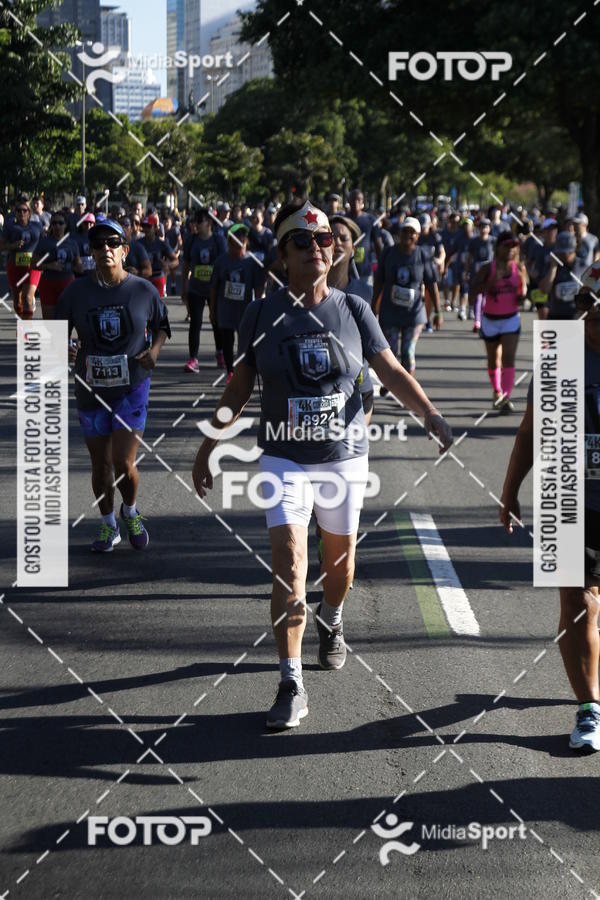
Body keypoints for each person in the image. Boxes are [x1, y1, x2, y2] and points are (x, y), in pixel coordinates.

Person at [192, 199, 452, 729]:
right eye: (303, 242)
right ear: (283, 254)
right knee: (290, 564)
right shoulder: (261, 314)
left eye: (325, 241)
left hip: (342, 459)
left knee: (341, 569)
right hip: (283, 456)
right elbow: (240, 387)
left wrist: (429, 413)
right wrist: (209, 445)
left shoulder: (354, 309)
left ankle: (331, 619)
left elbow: (391, 368)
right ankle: (291, 681)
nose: (317, 249)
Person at [500, 267, 600, 752]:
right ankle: (589, 708)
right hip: (567, 494)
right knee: (578, 604)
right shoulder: (560, 352)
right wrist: (511, 489)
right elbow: (530, 430)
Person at [55, 219, 171, 553]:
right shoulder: (76, 292)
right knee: (100, 465)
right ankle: (109, 525)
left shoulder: (142, 289)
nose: (105, 249)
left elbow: (162, 325)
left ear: (124, 250)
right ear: (90, 252)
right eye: (97, 244)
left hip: (131, 386)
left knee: (123, 462)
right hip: (90, 388)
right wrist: (64, 345)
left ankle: (130, 511)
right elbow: (54, 330)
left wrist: (155, 350)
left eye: (112, 243)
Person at [372, 216, 442, 392]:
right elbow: (379, 281)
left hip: (414, 314)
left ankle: (406, 390)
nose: (408, 235)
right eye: (405, 231)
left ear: (418, 236)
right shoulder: (388, 253)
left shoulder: (423, 255)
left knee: (408, 352)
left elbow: (432, 284)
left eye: (412, 232)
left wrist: (438, 312)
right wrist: (374, 306)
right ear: (400, 233)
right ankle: (391, 382)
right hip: (390, 312)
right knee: (391, 352)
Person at [469, 232, 527, 413]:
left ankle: (505, 397)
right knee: (494, 361)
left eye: (513, 246)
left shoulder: (519, 268)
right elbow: (473, 293)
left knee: (509, 358)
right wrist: (492, 281)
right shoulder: (488, 268)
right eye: (506, 246)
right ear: (498, 248)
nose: (510, 249)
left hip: (511, 319)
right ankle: (497, 391)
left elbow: (523, 292)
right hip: (491, 320)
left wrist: (522, 296)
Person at [209, 223, 264, 381]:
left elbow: (259, 288)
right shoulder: (221, 262)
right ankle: (230, 372)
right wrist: (212, 311)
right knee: (227, 342)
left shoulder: (252, 262)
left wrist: (259, 311)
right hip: (225, 310)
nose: (241, 240)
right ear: (229, 241)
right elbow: (214, 288)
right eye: (237, 237)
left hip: (245, 311)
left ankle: (244, 371)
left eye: (243, 237)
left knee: (245, 343)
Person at [181, 209, 228, 373]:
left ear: (209, 222)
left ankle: (220, 352)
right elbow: (186, 264)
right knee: (196, 323)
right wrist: (183, 287)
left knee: (216, 321)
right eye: (195, 221)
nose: (195, 224)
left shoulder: (218, 240)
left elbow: (225, 264)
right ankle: (193, 358)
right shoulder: (191, 241)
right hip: (196, 288)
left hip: (214, 289)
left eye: (199, 221)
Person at [32, 212, 81, 319]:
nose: (57, 226)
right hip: (48, 283)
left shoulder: (72, 243)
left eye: (60, 223)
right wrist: (49, 265)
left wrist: (85, 267)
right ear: (51, 225)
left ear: (66, 225)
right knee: (50, 321)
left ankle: (64, 336)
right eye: (54, 223)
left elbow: (78, 266)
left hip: (67, 283)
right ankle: (55, 336)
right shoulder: (44, 242)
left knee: (67, 318)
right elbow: (33, 264)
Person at [0, 199, 43, 319]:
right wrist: (12, 246)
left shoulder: (37, 226)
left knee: (27, 298)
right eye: (19, 210)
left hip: (32, 267)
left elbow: (44, 243)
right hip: (14, 267)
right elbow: (1, 246)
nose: (22, 213)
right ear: (15, 212)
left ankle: (27, 331)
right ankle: (23, 322)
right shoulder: (9, 227)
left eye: (25, 210)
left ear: (29, 213)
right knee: (17, 303)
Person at [538, 231, 589, 320]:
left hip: (576, 316)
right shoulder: (550, 265)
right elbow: (544, 290)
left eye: (568, 252)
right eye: (561, 252)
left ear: (574, 249)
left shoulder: (583, 266)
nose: (565, 255)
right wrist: (553, 268)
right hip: (555, 315)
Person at [347, 189, 383, 284]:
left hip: (365, 273)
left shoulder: (371, 220)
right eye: (353, 199)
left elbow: (378, 244)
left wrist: (382, 266)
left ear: (362, 201)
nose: (356, 202)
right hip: (346, 274)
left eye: (359, 199)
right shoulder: (343, 220)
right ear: (348, 201)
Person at [417, 213, 445, 332]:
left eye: (425, 226)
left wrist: (440, 261)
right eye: (421, 226)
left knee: (430, 297)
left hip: (431, 271)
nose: (424, 228)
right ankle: (420, 316)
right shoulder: (416, 236)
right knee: (422, 293)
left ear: (430, 224)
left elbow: (442, 252)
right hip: (418, 270)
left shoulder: (435, 237)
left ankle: (427, 320)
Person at [466, 217, 494, 331]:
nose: (484, 229)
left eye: (486, 227)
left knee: (486, 298)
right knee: (478, 297)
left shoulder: (493, 241)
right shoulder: (474, 241)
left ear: (489, 229)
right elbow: (469, 257)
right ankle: (477, 321)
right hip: (477, 273)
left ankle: (484, 320)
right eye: (481, 227)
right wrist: (467, 271)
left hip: (489, 273)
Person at [141, 213, 177, 298]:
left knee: (156, 307)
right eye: (144, 226)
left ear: (155, 228)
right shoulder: (138, 244)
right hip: (143, 279)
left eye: (149, 226)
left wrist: (168, 265)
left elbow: (176, 261)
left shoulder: (161, 244)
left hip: (157, 279)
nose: (146, 229)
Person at [73, 213, 97, 277]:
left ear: (94, 224)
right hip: (79, 273)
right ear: (81, 223)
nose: (88, 226)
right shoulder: (74, 238)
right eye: (86, 223)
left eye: (91, 223)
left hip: (95, 272)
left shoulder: (97, 237)